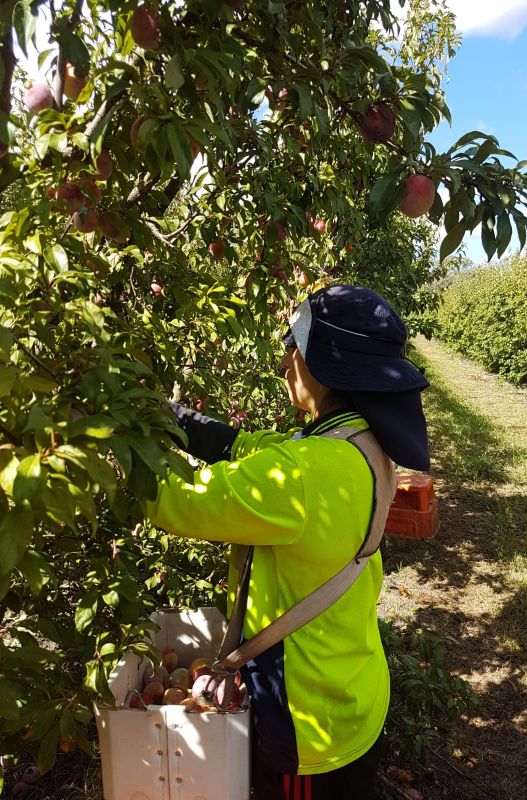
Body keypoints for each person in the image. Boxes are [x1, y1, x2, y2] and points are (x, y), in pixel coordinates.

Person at [145, 284, 430, 800]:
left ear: (323, 365)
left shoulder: (303, 474)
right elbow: (248, 447)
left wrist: (100, 440)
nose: (284, 360)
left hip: (309, 723)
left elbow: (176, 500)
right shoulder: (355, 443)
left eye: (294, 346)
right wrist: (175, 419)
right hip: (350, 688)